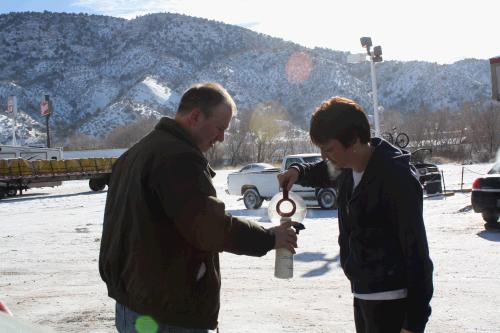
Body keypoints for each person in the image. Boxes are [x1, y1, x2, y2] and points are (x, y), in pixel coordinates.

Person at [99, 82, 298, 333]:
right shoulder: (177, 157)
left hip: (134, 302)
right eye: (219, 128)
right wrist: (269, 238)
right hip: (166, 313)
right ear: (195, 117)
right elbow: (210, 228)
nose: (221, 137)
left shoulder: (138, 152)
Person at [278, 96, 433, 333]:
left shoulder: (395, 177)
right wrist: (297, 171)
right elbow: (322, 171)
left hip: (393, 301)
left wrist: (413, 324)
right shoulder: (346, 169)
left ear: (354, 140)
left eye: (328, 149)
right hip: (362, 293)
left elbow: (418, 255)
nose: (324, 156)